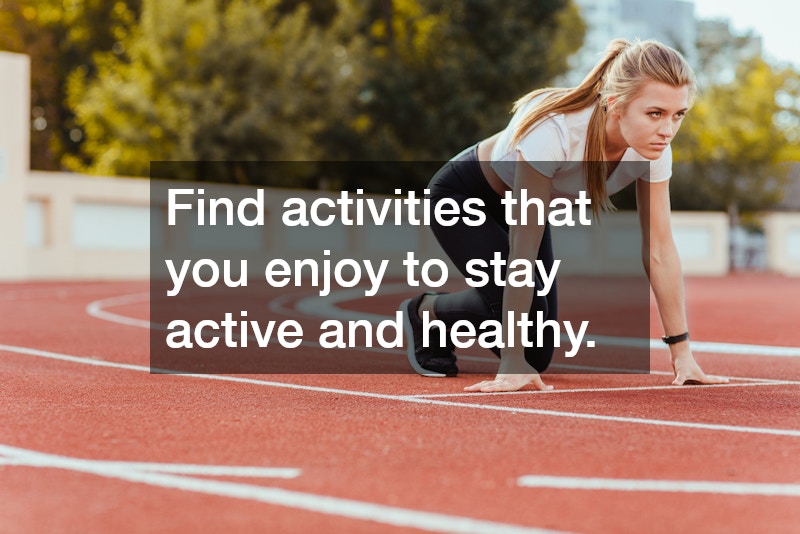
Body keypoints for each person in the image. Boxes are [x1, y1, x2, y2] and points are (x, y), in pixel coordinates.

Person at [399, 38, 729, 393]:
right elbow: (522, 252)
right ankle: (427, 312)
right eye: (655, 113)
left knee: (536, 354)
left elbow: (660, 250)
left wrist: (682, 354)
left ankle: (445, 318)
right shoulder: (556, 130)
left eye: (678, 114)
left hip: (524, 208)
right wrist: (510, 362)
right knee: (521, 350)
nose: (668, 130)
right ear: (615, 104)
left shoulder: (655, 150)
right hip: (464, 196)